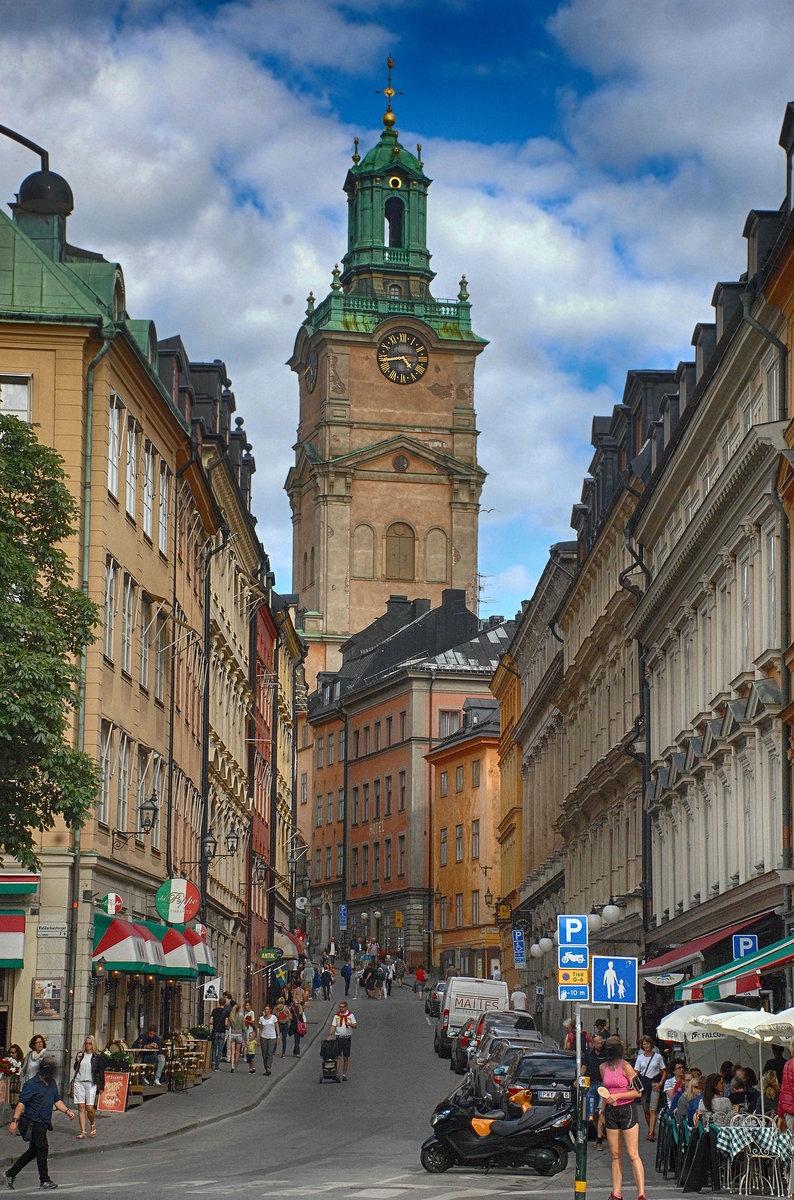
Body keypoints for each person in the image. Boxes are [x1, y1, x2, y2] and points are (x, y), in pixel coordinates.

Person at [5, 1057, 74, 1190]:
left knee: (33, 1151)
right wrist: (14, 1121)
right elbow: (21, 1103)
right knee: (43, 1148)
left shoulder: (52, 1083)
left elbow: (57, 1100)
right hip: (33, 1122)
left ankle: (10, 1173)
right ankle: (44, 1180)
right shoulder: (31, 1084)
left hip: (43, 1123)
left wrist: (67, 1111)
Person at [598, 1035, 645, 1200]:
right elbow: (605, 1092)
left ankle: (641, 1193)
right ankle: (616, 1193)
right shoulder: (602, 1067)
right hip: (611, 1111)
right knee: (615, 1154)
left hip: (627, 1109)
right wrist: (602, 1113)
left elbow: (639, 1092)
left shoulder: (626, 1067)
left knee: (633, 1154)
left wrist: (618, 1096)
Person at [71, 1035, 105, 1139]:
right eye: (86, 1043)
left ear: (93, 1044)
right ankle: (83, 1132)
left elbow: (101, 1072)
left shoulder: (97, 1057)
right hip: (79, 1082)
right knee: (81, 1107)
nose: (87, 1045)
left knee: (89, 1108)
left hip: (91, 1083)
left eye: (90, 1043)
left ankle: (92, 1124)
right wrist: (77, 1060)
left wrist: (102, 1087)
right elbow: (75, 1068)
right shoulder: (81, 1055)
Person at [633, 1034, 666, 1141]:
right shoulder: (640, 1058)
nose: (646, 1046)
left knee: (653, 1109)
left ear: (651, 1044)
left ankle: (651, 1132)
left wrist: (661, 1083)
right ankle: (650, 1129)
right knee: (646, 1110)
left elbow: (664, 1071)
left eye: (647, 1043)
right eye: (644, 1044)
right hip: (644, 1085)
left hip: (654, 1084)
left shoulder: (658, 1057)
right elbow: (636, 1072)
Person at [585, 1034, 607, 1149]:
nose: (600, 1044)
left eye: (601, 1041)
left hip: (603, 1085)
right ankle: (601, 1130)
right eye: (598, 1042)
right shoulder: (589, 1054)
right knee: (592, 1113)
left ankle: (599, 1140)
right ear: (593, 1043)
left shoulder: (606, 1053)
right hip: (591, 1085)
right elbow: (584, 1067)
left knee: (600, 1111)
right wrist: (579, 1078)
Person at [330, 999, 357, 1081]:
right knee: (338, 1056)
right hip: (339, 1038)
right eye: (340, 1007)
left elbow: (355, 1025)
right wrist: (330, 1034)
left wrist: (350, 1024)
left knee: (345, 1057)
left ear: (346, 1008)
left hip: (347, 1038)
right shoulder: (336, 1016)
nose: (340, 1008)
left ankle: (344, 1074)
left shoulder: (350, 1015)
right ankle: (337, 1073)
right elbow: (333, 1026)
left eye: (342, 1007)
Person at [259, 1005, 278, 1076]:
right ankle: (266, 1068)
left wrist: (278, 1036)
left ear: (270, 1010)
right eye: (265, 1009)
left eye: (267, 1009)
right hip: (264, 1037)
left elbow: (277, 1027)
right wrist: (259, 1039)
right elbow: (260, 1029)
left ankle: (268, 1068)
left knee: (270, 1052)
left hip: (272, 1037)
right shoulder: (261, 1019)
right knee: (264, 1053)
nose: (266, 1011)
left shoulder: (273, 1018)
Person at [209, 1001, 228, 1070]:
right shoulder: (226, 1012)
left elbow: (211, 1021)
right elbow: (226, 1023)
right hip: (222, 1032)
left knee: (214, 1047)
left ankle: (213, 1060)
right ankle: (217, 1066)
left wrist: (215, 1023)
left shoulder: (214, 1010)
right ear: (224, 1003)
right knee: (220, 1049)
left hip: (215, 1031)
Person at [228, 1002, 245, 1073]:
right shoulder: (241, 1016)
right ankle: (236, 1066)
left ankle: (232, 1065)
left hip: (232, 1034)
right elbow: (243, 1027)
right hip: (239, 1034)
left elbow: (229, 1026)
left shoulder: (231, 1016)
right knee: (237, 1052)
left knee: (232, 1052)